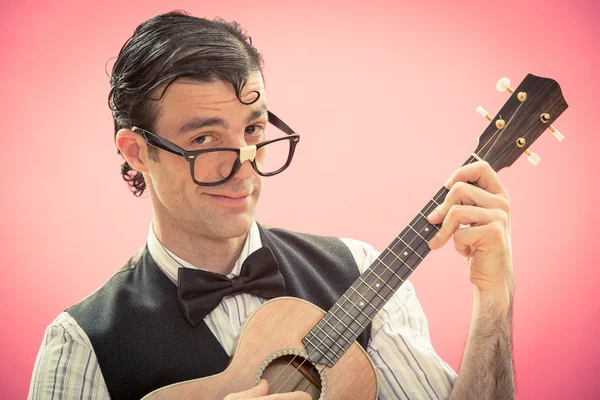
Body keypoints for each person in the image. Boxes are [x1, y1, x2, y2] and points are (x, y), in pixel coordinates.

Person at [28, 11, 515, 400]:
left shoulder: (362, 273)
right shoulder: (81, 344)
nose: (244, 166)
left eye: (254, 131)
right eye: (204, 138)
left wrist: (493, 297)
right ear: (138, 151)